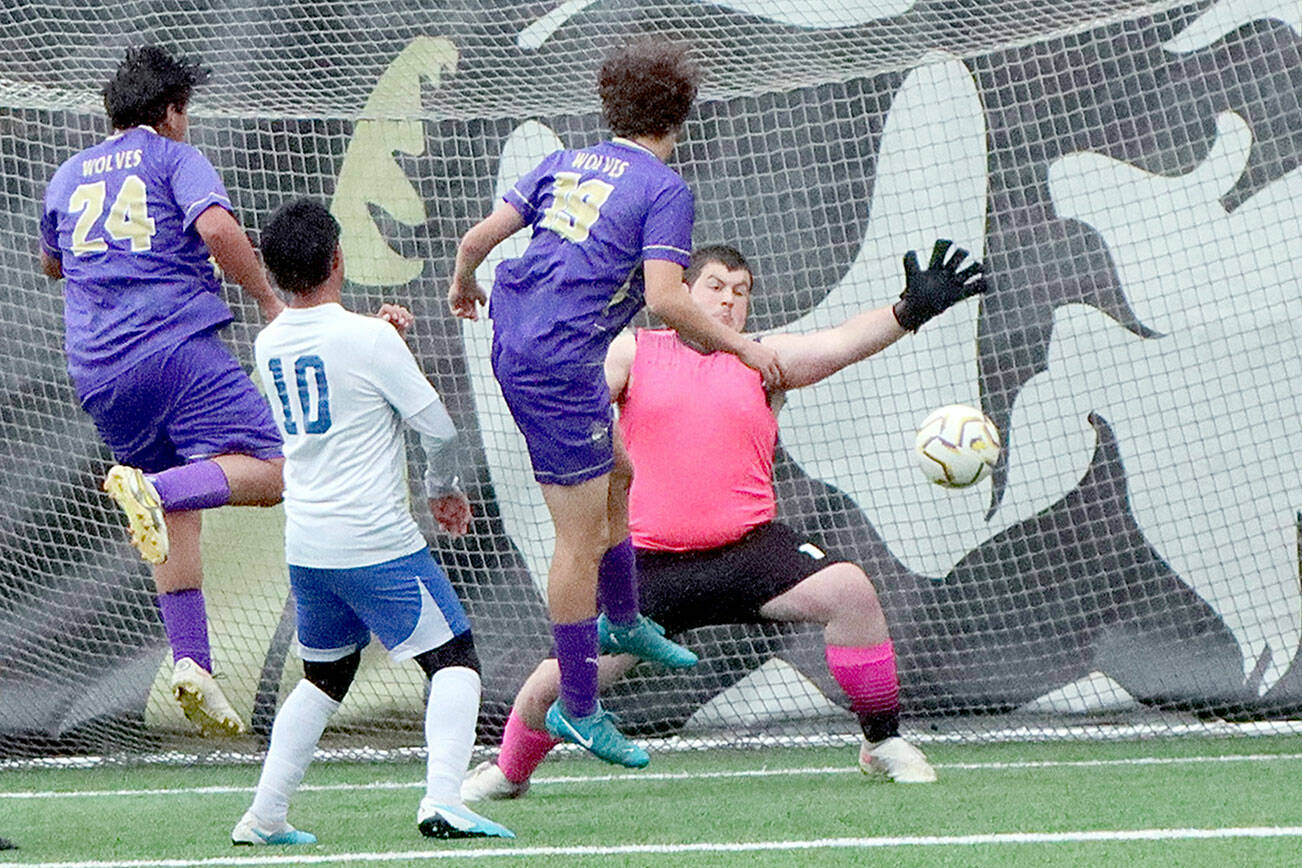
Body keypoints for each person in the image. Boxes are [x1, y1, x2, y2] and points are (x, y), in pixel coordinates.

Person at [461, 240, 987, 799]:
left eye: (741, 292)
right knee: (553, 687)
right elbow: (587, 389)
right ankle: (509, 773)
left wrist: (907, 313)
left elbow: (839, 344)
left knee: (852, 594)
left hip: (748, 551)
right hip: (645, 568)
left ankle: (881, 743)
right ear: (683, 291)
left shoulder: (762, 359)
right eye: (715, 286)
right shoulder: (635, 351)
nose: (729, 300)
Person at [447, 39, 784, 769]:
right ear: (680, 118)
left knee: (620, 476)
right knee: (576, 541)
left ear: (610, 106)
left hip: (521, 335)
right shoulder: (664, 187)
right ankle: (578, 704)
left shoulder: (566, 161)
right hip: (558, 365)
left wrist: (463, 283)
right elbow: (665, 298)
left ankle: (625, 618)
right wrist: (745, 348)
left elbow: (477, 238)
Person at [232, 198, 513, 845]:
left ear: (273, 273)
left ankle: (265, 815)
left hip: (308, 546)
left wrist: (384, 340)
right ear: (337, 259)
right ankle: (443, 799)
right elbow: (437, 428)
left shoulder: (270, 342)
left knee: (325, 676)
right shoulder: (368, 338)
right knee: (455, 661)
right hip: (374, 540)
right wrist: (443, 489)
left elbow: (338, 381)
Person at [38, 45, 286, 737]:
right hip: (172, 348)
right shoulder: (173, 157)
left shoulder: (66, 175)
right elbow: (213, 227)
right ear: (171, 112)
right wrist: (266, 298)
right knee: (276, 470)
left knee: (176, 508)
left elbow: (52, 262)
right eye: (187, 113)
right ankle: (155, 492)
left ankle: (191, 662)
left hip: (97, 371)